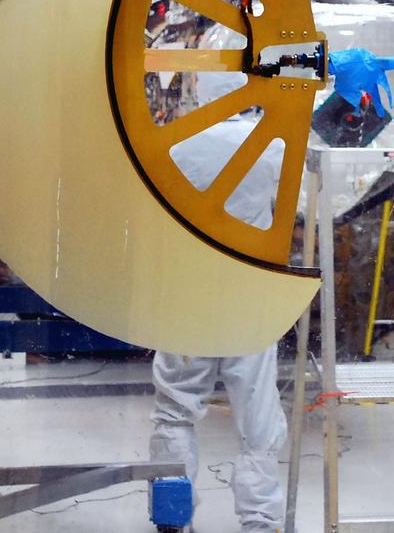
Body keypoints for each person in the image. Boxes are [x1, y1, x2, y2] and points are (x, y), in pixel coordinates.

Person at [149, 71, 288, 532]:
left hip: (189, 294)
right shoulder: (273, 145)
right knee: (257, 422)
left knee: (175, 411)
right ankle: (259, 522)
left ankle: (172, 519)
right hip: (248, 297)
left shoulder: (175, 144)